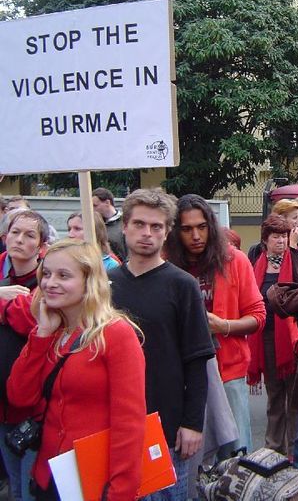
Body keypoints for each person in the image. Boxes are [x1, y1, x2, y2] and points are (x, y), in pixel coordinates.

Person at [8, 239, 146, 501]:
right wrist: (41, 335)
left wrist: (121, 491)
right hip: (48, 478)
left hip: (95, 481)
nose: (50, 283)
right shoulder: (50, 332)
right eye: (46, 274)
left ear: (88, 281)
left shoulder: (116, 334)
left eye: (63, 275)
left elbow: (129, 422)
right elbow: (19, 397)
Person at [108, 188, 215, 501]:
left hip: (166, 427)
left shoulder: (182, 285)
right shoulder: (105, 285)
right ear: (124, 226)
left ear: (167, 232)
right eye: (139, 224)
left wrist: (193, 424)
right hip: (115, 424)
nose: (146, 233)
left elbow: (197, 360)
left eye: (156, 227)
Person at [164, 194, 265, 459]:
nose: (196, 235)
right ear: (175, 231)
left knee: (234, 454)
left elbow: (258, 315)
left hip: (228, 370)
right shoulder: (165, 264)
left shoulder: (235, 260)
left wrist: (224, 325)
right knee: (185, 453)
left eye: (201, 227)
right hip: (179, 374)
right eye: (186, 229)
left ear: (211, 225)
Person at [0, 210, 50, 501]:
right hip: (3, 407)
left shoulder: (47, 276)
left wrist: (8, 302)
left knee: (28, 490)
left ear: (41, 245)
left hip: (33, 410)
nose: (20, 239)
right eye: (15, 232)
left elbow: (30, 318)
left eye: (29, 235)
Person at [247, 214, 298, 456]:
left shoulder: (297, 262)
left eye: (284, 236)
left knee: (294, 399)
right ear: (265, 240)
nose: (281, 241)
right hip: (267, 337)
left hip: (292, 339)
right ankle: (273, 449)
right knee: (274, 395)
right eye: (276, 236)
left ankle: (295, 450)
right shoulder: (256, 263)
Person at [92, 187, 127, 261]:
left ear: (107, 203)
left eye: (95, 206)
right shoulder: (93, 224)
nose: (92, 209)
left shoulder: (125, 222)